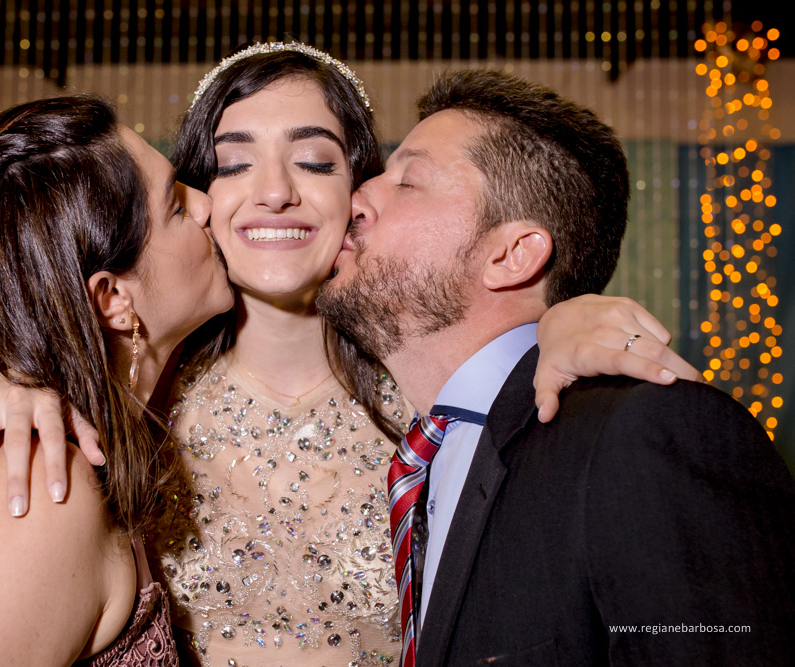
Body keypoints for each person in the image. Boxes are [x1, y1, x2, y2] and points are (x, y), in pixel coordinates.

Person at [0, 46, 700, 666]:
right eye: (231, 165)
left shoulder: (422, 393)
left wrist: (562, 317)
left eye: (313, 161)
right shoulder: (139, 388)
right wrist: (3, 378)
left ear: (360, 195)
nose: (273, 190)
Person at [316, 69, 795, 666]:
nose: (356, 199)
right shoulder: (421, 455)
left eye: (407, 181)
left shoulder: (643, 435)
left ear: (512, 254)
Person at [0, 95, 234, 666]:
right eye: (175, 204)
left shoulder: (78, 442)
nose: (206, 205)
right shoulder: (32, 497)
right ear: (112, 299)